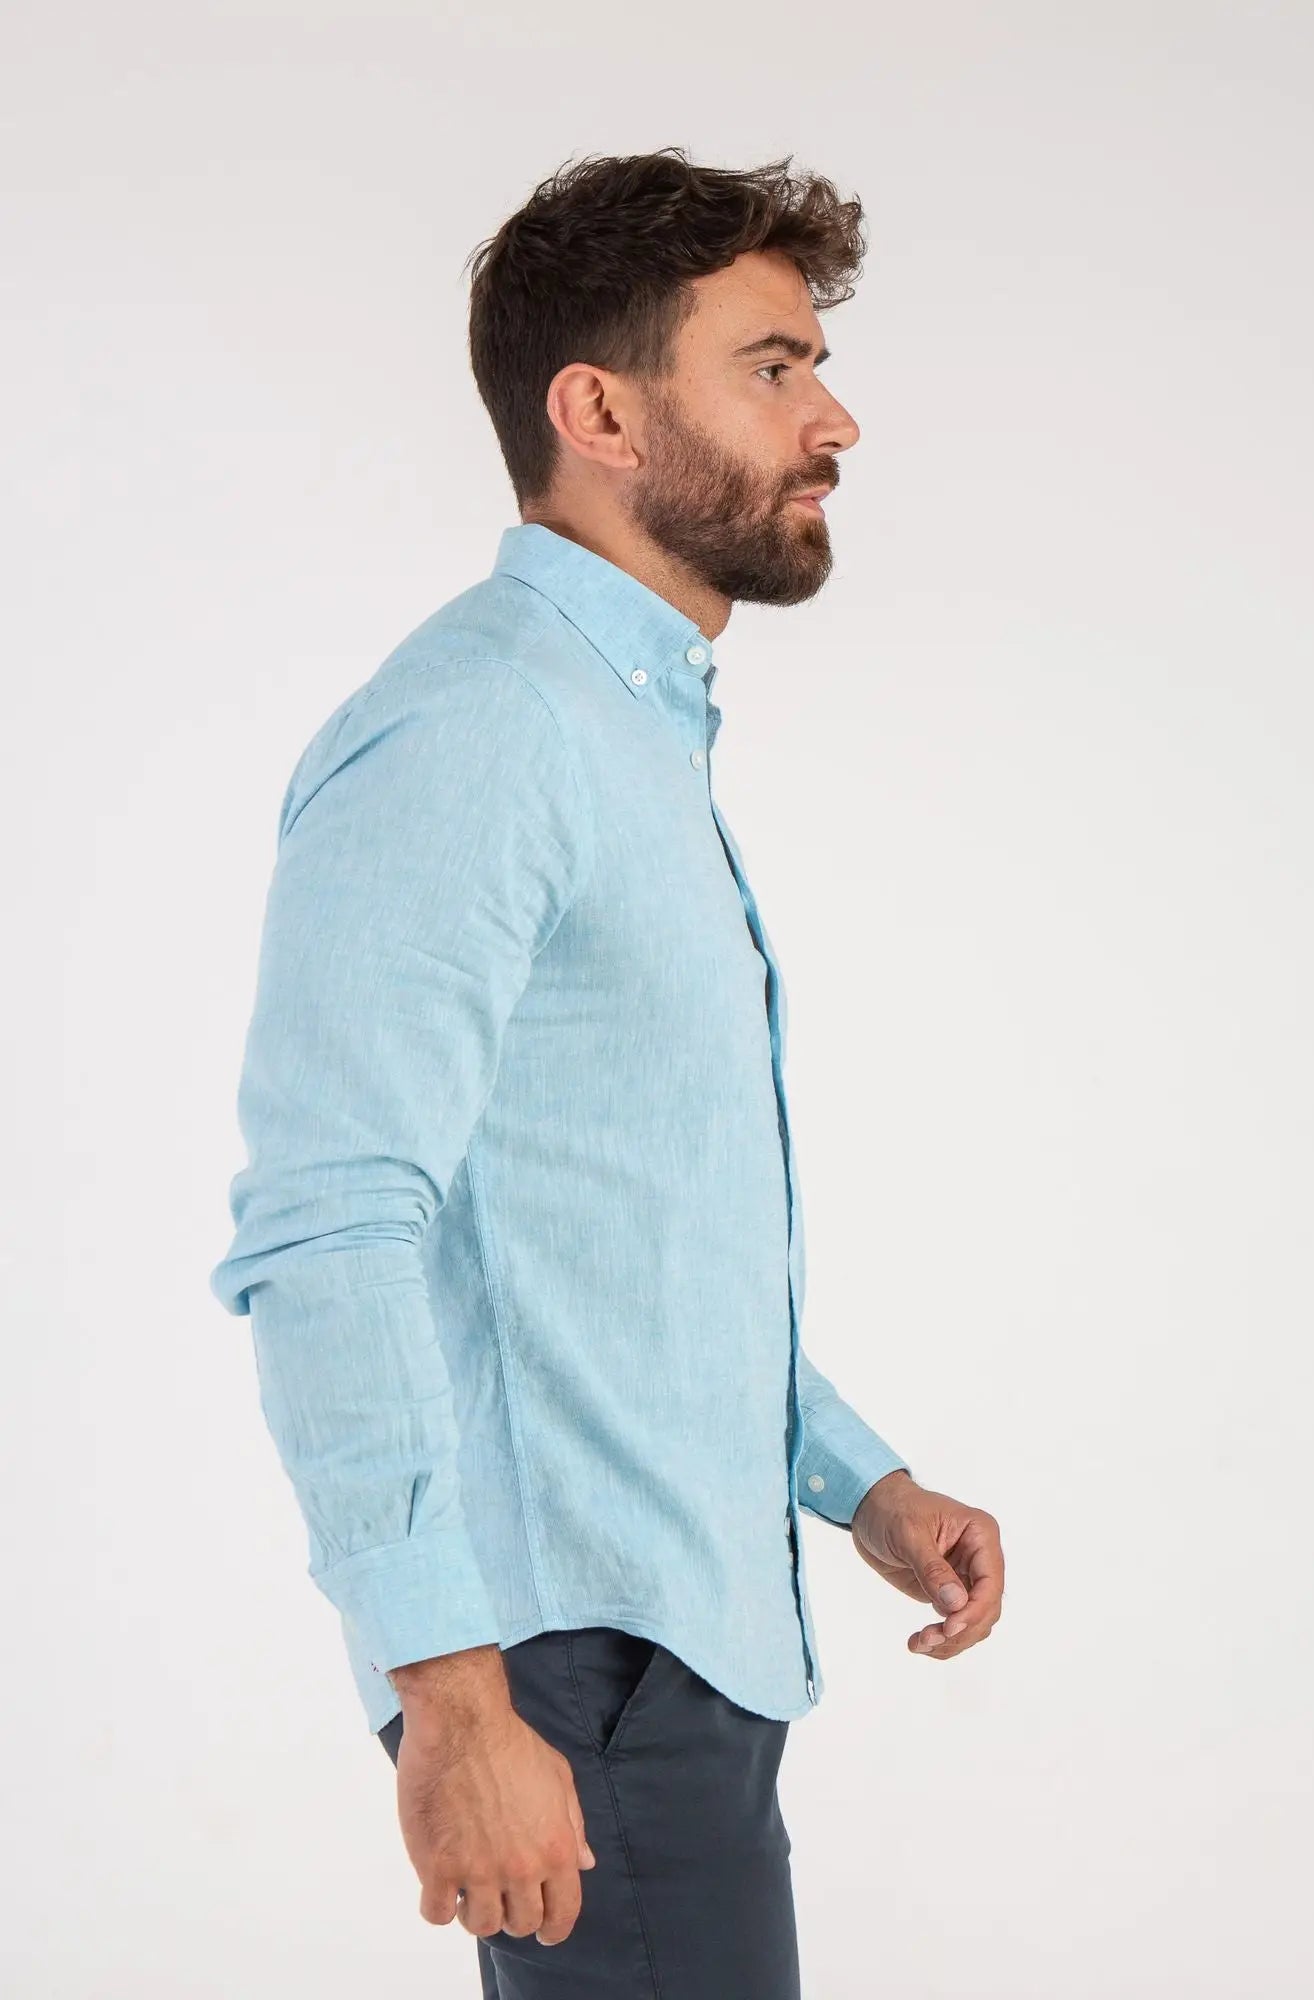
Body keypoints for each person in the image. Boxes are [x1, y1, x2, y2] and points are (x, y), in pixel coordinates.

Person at [210, 145, 1004, 1998]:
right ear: (600, 415)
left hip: (657, 1649)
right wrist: (451, 1699)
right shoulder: (485, 725)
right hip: (568, 1671)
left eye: (814, 369)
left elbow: (610, 1235)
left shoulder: (619, 730)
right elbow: (332, 1226)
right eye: (771, 369)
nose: (834, 421)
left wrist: (855, 1480)